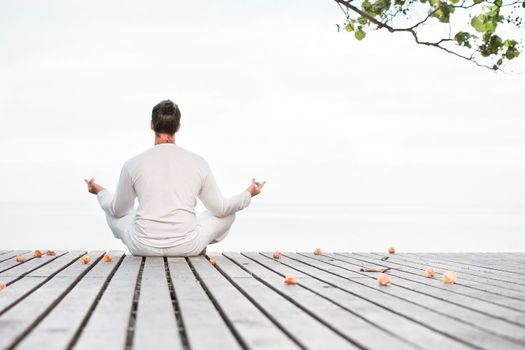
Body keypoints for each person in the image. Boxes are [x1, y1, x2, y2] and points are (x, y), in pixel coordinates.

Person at [84, 99, 265, 256]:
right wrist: (248, 193)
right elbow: (221, 208)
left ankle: (186, 241)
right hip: (187, 246)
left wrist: (100, 191)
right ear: (178, 127)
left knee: (111, 210)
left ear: (152, 125)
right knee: (226, 213)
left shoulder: (132, 164)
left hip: (143, 246)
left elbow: (117, 210)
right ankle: (198, 245)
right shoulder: (198, 162)